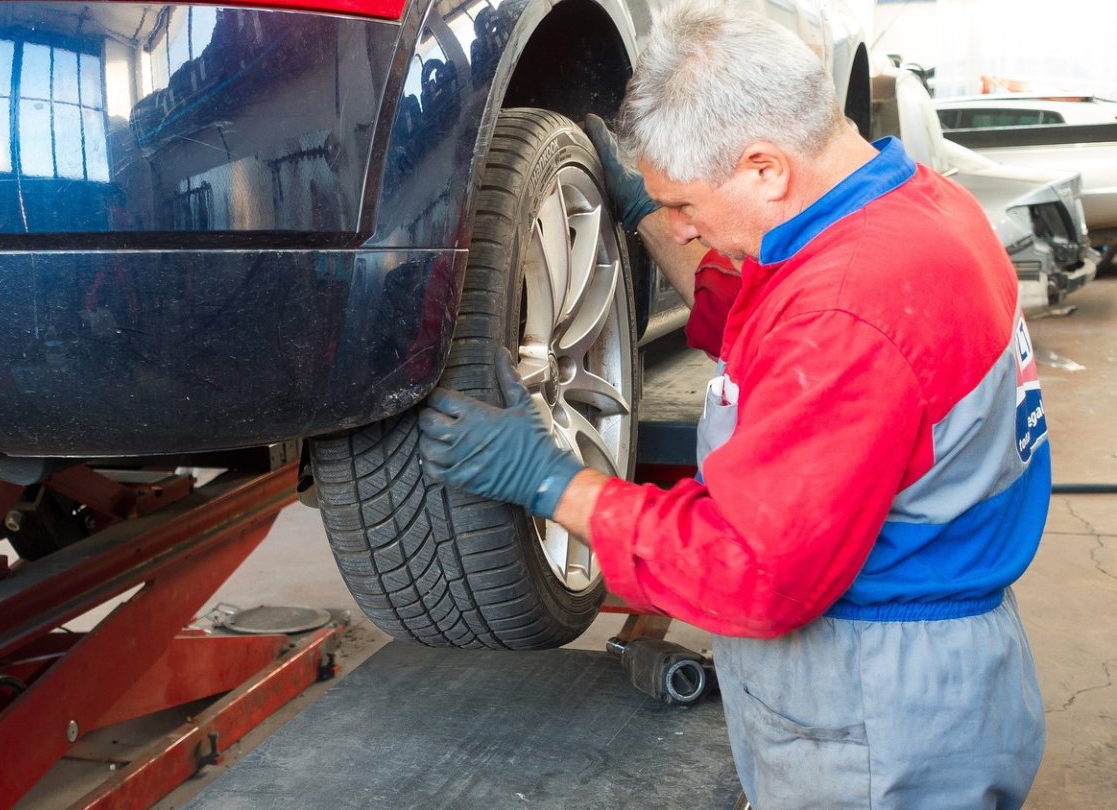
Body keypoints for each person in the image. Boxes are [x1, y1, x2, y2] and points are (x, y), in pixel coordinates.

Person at [415, 2, 1047, 807]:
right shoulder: (915, 208)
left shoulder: (850, 312)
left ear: (764, 168)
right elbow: (765, 314)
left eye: (686, 204)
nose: (687, 229)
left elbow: (751, 571)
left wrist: (554, 485)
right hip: (925, 667)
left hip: (878, 710)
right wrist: (648, 216)